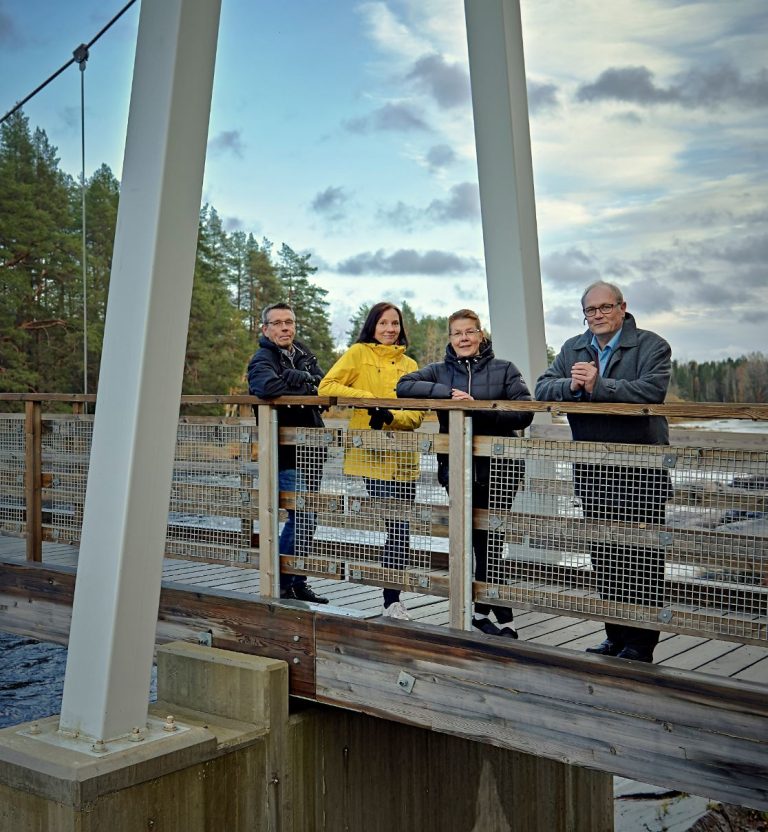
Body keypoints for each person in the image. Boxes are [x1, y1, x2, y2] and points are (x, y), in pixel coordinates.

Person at [535, 281, 672, 662]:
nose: (597, 315)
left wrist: (600, 385)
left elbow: (651, 391)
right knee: (605, 555)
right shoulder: (573, 348)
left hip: (641, 469)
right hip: (593, 470)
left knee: (641, 558)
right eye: (591, 310)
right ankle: (614, 635)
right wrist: (574, 386)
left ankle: (640, 644)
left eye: (605, 308)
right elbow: (543, 388)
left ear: (622, 307)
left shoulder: (652, 345)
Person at [397, 309, 533, 638]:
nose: (464, 338)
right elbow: (403, 386)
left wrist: (481, 410)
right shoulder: (439, 372)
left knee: (492, 540)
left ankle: (488, 611)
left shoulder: (504, 370)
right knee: (472, 540)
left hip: (501, 467)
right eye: (457, 333)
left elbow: (526, 410)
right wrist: (446, 395)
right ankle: (491, 612)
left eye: (470, 332)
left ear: (481, 335)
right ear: (450, 338)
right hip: (456, 467)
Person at [319, 302, 424, 620]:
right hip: (372, 455)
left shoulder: (410, 363)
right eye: (383, 323)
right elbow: (327, 386)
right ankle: (391, 599)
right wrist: (368, 400)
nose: (390, 329)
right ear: (372, 326)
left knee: (401, 529)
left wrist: (390, 414)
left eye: (395, 323)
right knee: (398, 524)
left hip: (405, 456)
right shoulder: (358, 354)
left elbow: (417, 415)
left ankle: (393, 598)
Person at [247, 302, 329, 604]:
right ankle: (281, 582)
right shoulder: (262, 358)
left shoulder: (303, 353)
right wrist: (298, 379)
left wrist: (303, 380)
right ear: (266, 329)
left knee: (310, 517)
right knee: (303, 515)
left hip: (312, 449)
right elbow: (265, 387)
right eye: (278, 323)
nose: (285, 328)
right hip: (285, 453)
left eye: (289, 322)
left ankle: (297, 581)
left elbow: (322, 385)